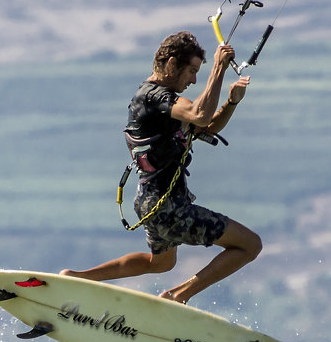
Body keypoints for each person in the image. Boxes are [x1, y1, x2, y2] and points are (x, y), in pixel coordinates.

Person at [62, 31, 262, 304]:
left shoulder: (162, 103)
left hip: (151, 202)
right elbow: (200, 114)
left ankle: (78, 276)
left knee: (161, 264)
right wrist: (218, 67)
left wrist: (231, 101)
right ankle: (178, 296)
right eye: (191, 71)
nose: (193, 80)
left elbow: (207, 125)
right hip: (168, 207)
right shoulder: (154, 96)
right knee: (250, 245)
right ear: (171, 64)